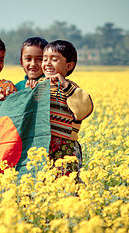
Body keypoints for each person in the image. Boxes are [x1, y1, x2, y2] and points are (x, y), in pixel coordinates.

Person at [38, 40, 94, 174]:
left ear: (69, 66)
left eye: (54, 59)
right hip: (41, 145)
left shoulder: (71, 89)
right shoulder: (38, 86)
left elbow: (83, 109)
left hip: (66, 147)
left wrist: (65, 85)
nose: (47, 63)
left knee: (68, 185)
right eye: (45, 59)